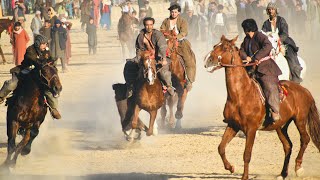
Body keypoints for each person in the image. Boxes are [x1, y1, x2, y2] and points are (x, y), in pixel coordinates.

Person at [0, 35, 62, 119]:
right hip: (26, 71)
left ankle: (53, 109)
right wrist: (42, 63)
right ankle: (1, 96)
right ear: (37, 44)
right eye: (43, 44)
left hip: (39, 74)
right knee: (11, 84)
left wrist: (52, 61)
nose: (45, 46)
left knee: (49, 90)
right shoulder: (30, 50)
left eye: (46, 44)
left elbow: (49, 60)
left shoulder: (46, 51)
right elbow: (33, 60)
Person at [240, 19, 282, 121]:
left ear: (248, 29)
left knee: (269, 86)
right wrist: (246, 57)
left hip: (265, 68)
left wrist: (256, 58)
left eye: (244, 29)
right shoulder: (246, 39)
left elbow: (268, 46)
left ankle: (275, 110)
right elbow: (241, 50)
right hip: (251, 68)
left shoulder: (260, 36)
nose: (244, 31)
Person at [125, 17, 174, 98]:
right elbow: (139, 49)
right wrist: (139, 59)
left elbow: (162, 47)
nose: (149, 27)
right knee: (129, 65)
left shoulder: (158, 34)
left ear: (153, 25)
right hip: (145, 58)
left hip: (157, 58)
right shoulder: (140, 36)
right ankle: (130, 87)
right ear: (144, 25)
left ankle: (168, 86)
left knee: (163, 72)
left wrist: (164, 59)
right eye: (147, 25)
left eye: (151, 25)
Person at [262, 2, 303, 84]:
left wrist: (279, 40)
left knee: (293, 61)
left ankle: (296, 79)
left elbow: (285, 33)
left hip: (284, 43)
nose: (271, 11)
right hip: (270, 45)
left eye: (272, 9)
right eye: (269, 9)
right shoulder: (265, 24)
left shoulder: (281, 20)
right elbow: (263, 34)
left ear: (276, 10)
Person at [160, 3, 196, 91]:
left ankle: (189, 80)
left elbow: (184, 32)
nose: (173, 14)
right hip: (168, 41)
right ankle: (159, 80)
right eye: (172, 12)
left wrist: (176, 37)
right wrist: (167, 35)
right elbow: (162, 29)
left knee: (188, 59)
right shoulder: (166, 21)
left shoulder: (182, 21)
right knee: (159, 58)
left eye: (175, 12)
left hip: (180, 42)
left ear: (178, 13)